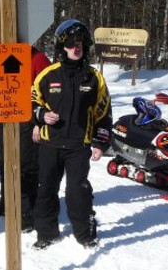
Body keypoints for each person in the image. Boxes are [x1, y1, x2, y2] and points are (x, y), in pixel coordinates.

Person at [30, 19, 112, 249]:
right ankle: (46, 233)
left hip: (79, 145)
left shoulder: (94, 77)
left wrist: (100, 143)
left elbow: (104, 113)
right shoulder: (47, 75)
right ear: (62, 47)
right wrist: (41, 116)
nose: (77, 48)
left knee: (78, 191)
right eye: (71, 44)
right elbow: (31, 102)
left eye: (81, 44)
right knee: (46, 189)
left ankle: (84, 234)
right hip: (50, 144)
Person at [0, 45, 52, 230]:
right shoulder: (1, 53)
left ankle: (28, 212)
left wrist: (39, 123)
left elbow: (49, 92)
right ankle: (6, 202)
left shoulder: (38, 58)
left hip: (27, 119)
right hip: (3, 114)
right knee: (2, 161)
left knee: (26, 166)